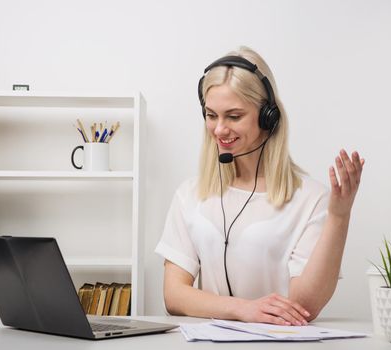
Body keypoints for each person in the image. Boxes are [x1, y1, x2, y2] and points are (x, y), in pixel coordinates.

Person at [155, 46, 364, 326]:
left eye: (234, 116)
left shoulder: (309, 199)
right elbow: (174, 296)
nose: (219, 129)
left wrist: (339, 216)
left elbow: (305, 305)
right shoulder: (190, 195)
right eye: (211, 115)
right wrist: (243, 309)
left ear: (268, 117)